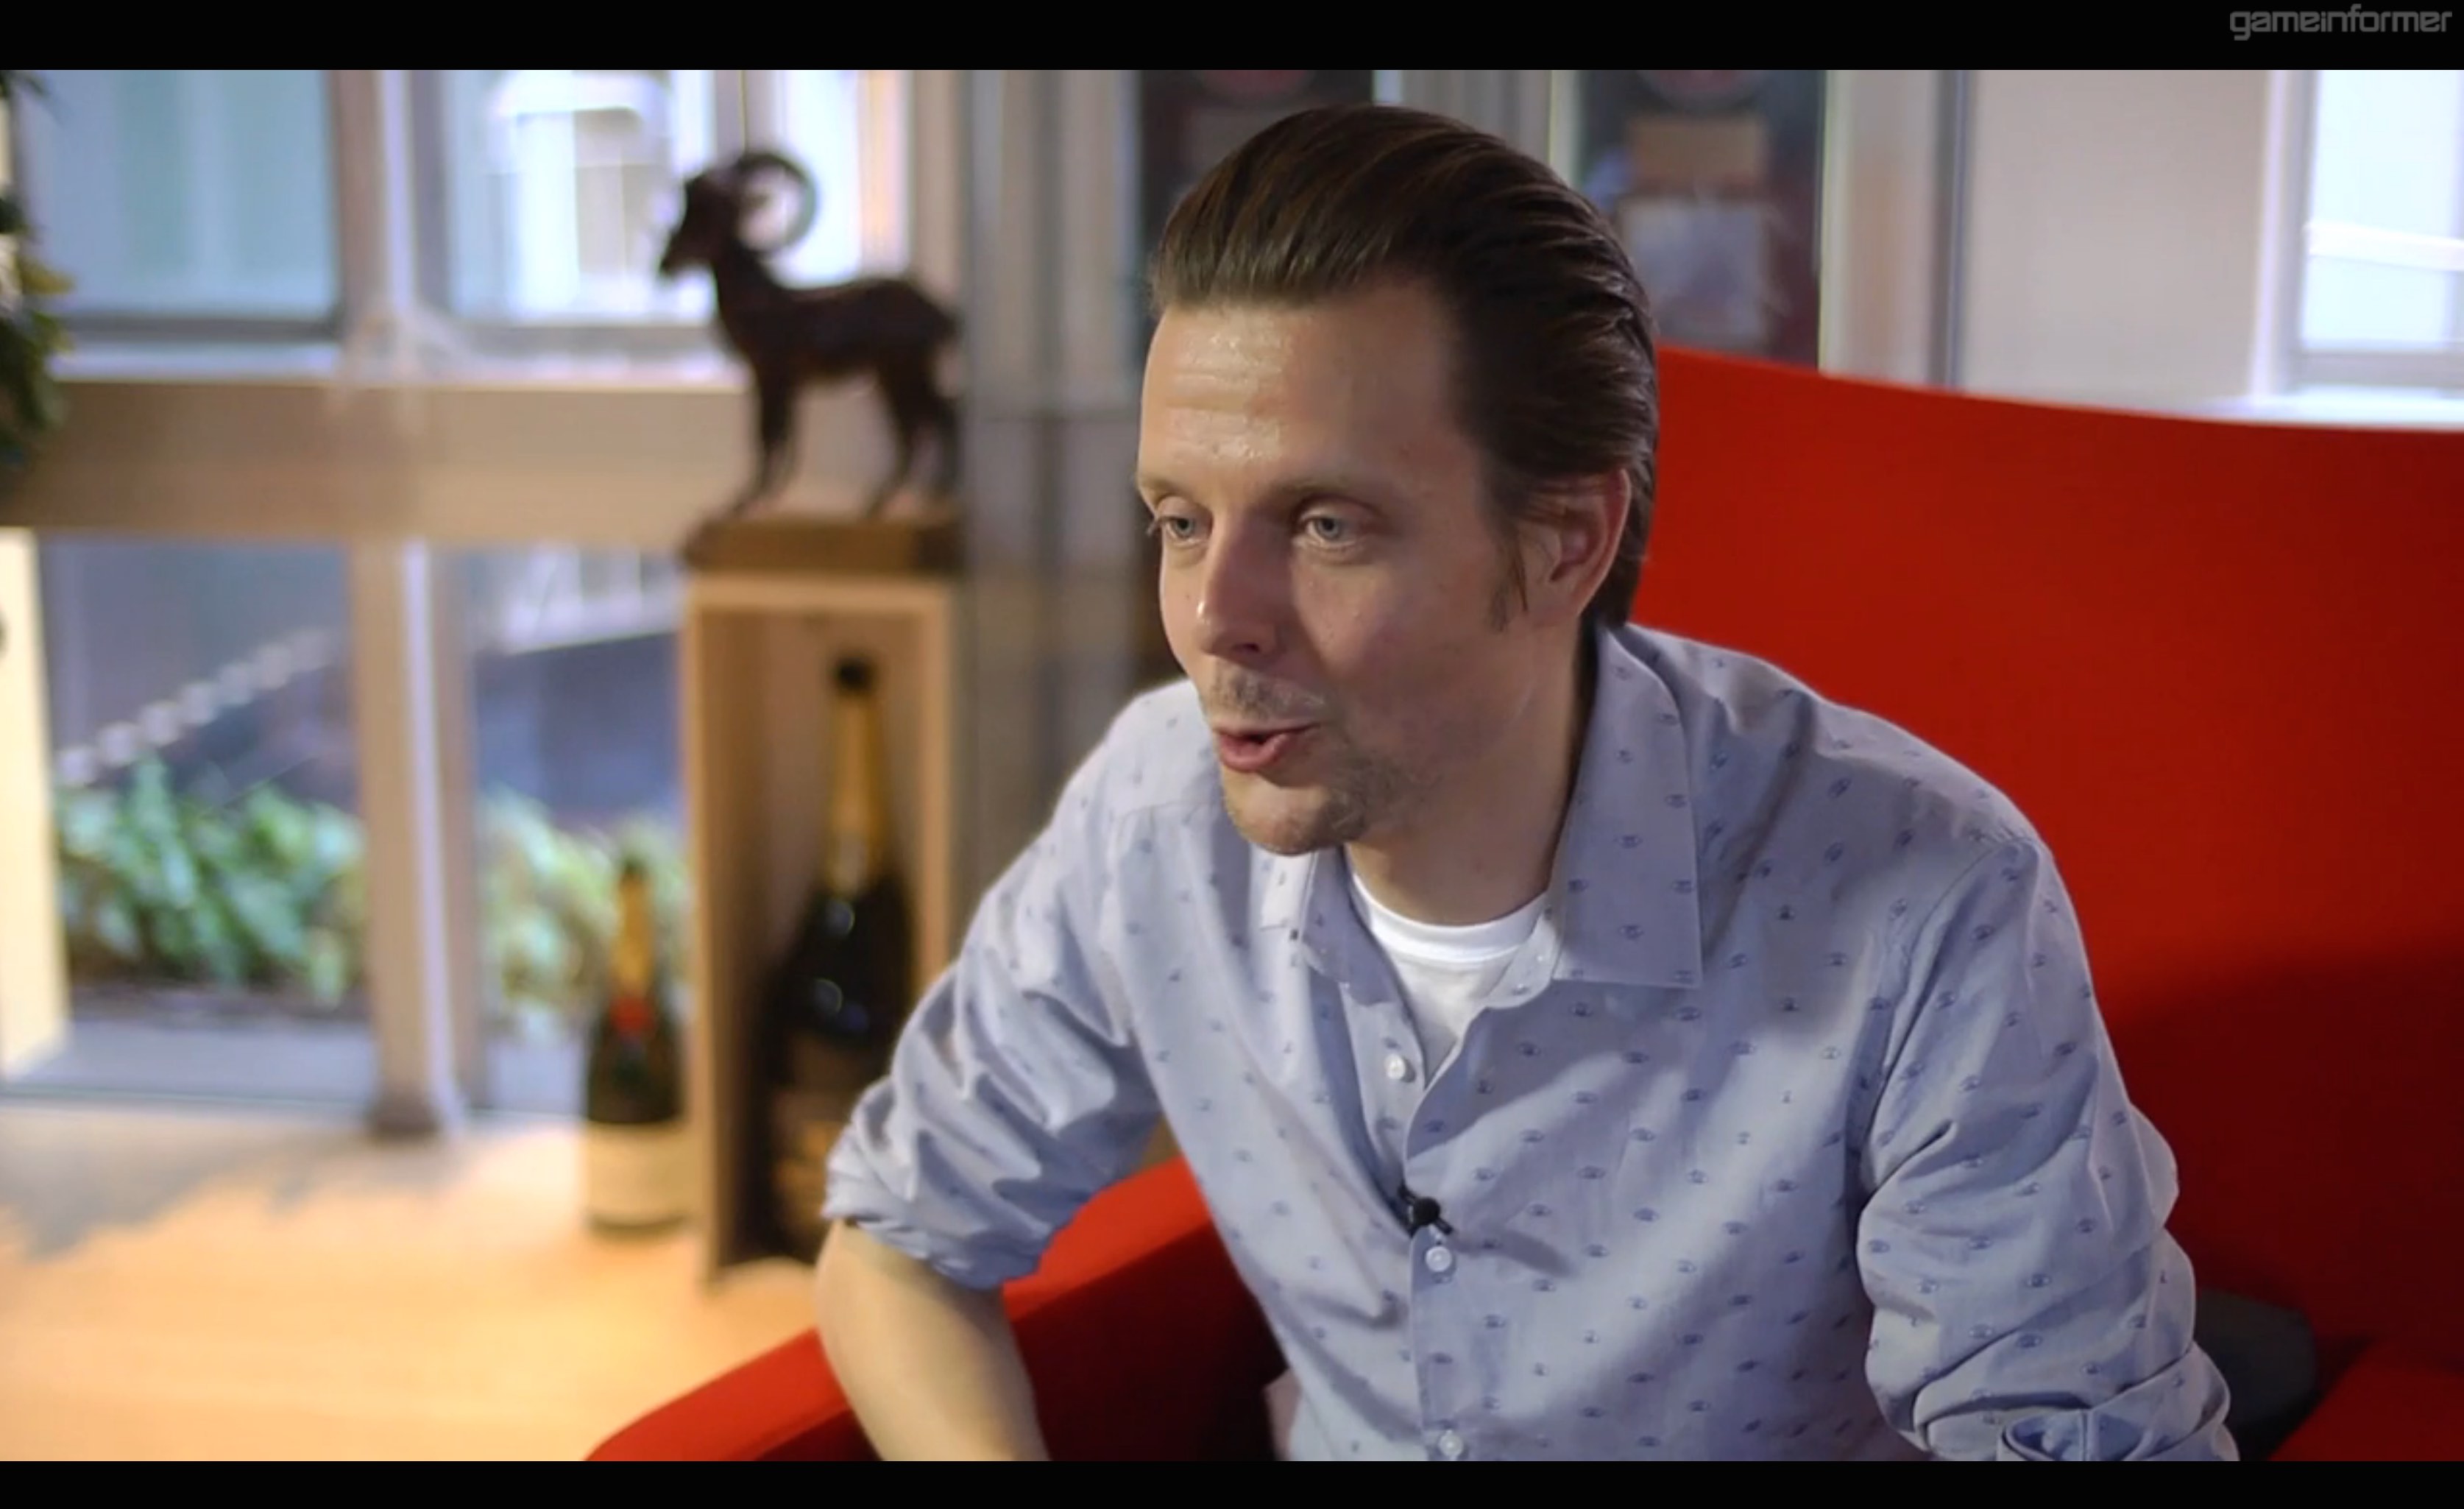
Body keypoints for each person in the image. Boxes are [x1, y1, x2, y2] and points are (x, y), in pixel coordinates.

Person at [811, 102, 2237, 1462]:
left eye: (1325, 524)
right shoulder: (1152, 815)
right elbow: (895, 1241)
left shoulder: (1925, 898)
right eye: (1181, 520)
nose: (1211, 618)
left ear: (1563, 544)